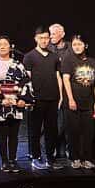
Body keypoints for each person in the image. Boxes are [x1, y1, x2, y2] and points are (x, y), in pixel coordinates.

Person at [0, 36, 33, 173]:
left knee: (14, 133)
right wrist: (2, 97)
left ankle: (13, 160)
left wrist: (22, 99)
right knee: (3, 133)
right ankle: (4, 161)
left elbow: (25, 81)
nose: (2, 46)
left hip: (16, 101)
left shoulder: (18, 64)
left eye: (5, 44)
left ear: (10, 47)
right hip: (1, 101)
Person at [23, 27, 62, 170]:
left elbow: (58, 77)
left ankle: (50, 158)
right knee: (35, 130)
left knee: (52, 130)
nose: (44, 41)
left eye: (46, 38)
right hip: (36, 99)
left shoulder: (54, 57)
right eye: (41, 38)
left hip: (52, 98)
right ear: (36, 39)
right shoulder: (29, 56)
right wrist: (29, 99)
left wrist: (61, 96)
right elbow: (27, 79)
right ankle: (35, 157)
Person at [60, 35, 95, 169]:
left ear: (85, 46)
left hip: (88, 102)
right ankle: (75, 158)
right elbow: (66, 80)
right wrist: (70, 99)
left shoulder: (93, 62)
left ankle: (87, 158)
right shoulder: (68, 60)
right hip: (72, 102)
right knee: (73, 131)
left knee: (88, 132)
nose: (77, 47)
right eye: (74, 45)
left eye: (79, 44)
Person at [49, 23, 70, 162]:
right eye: (50, 34)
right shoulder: (48, 48)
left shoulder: (71, 48)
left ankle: (69, 149)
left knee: (68, 121)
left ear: (62, 34)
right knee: (55, 121)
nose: (51, 37)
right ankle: (53, 149)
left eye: (53, 34)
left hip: (69, 88)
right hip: (53, 87)